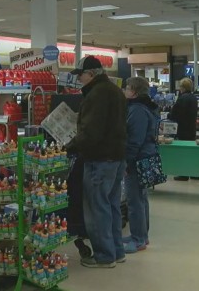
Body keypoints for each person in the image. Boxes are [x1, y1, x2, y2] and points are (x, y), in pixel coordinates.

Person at [65, 55, 127, 268]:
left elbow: (91, 132)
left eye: (80, 75)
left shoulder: (96, 95)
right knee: (111, 206)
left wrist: (69, 146)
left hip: (99, 159)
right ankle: (117, 251)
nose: (79, 79)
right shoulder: (115, 91)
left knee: (96, 208)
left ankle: (104, 256)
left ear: (90, 74)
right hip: (117, 157)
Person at [123, 77, 159, 253]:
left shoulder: (136, 110)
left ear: (134, 91)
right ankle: (141, 235)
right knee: (142, 198)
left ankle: (138, 239)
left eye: (127, 88)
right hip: (146, 157)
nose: (125, 91)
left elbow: (134, 140)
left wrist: (127, 162)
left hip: (137, 159)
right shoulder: (146, 107)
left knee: (134, 200)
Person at [168, 77, 199, 181]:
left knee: (183, 152)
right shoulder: (193, 97)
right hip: (191, 128)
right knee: (191, 151)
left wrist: (168, 115)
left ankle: (184, 174)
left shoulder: (182, 98)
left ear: (182, 87)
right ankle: (195, 173)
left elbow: (175, 114)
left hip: (182, 129)